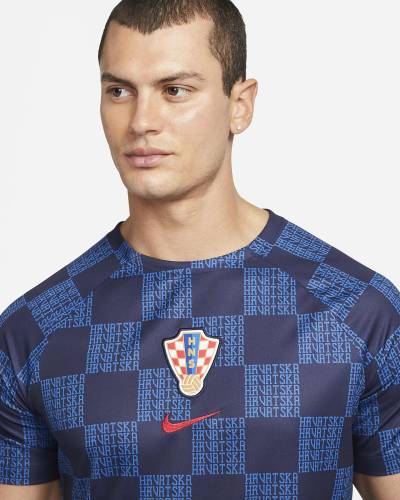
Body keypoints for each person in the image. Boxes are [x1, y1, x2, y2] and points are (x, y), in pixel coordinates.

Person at [0, 1, 399, 499]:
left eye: (175, 90)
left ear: (240, 104)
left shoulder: (358, 312)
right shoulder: (35, 332)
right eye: (120, 91)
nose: (142, 121)